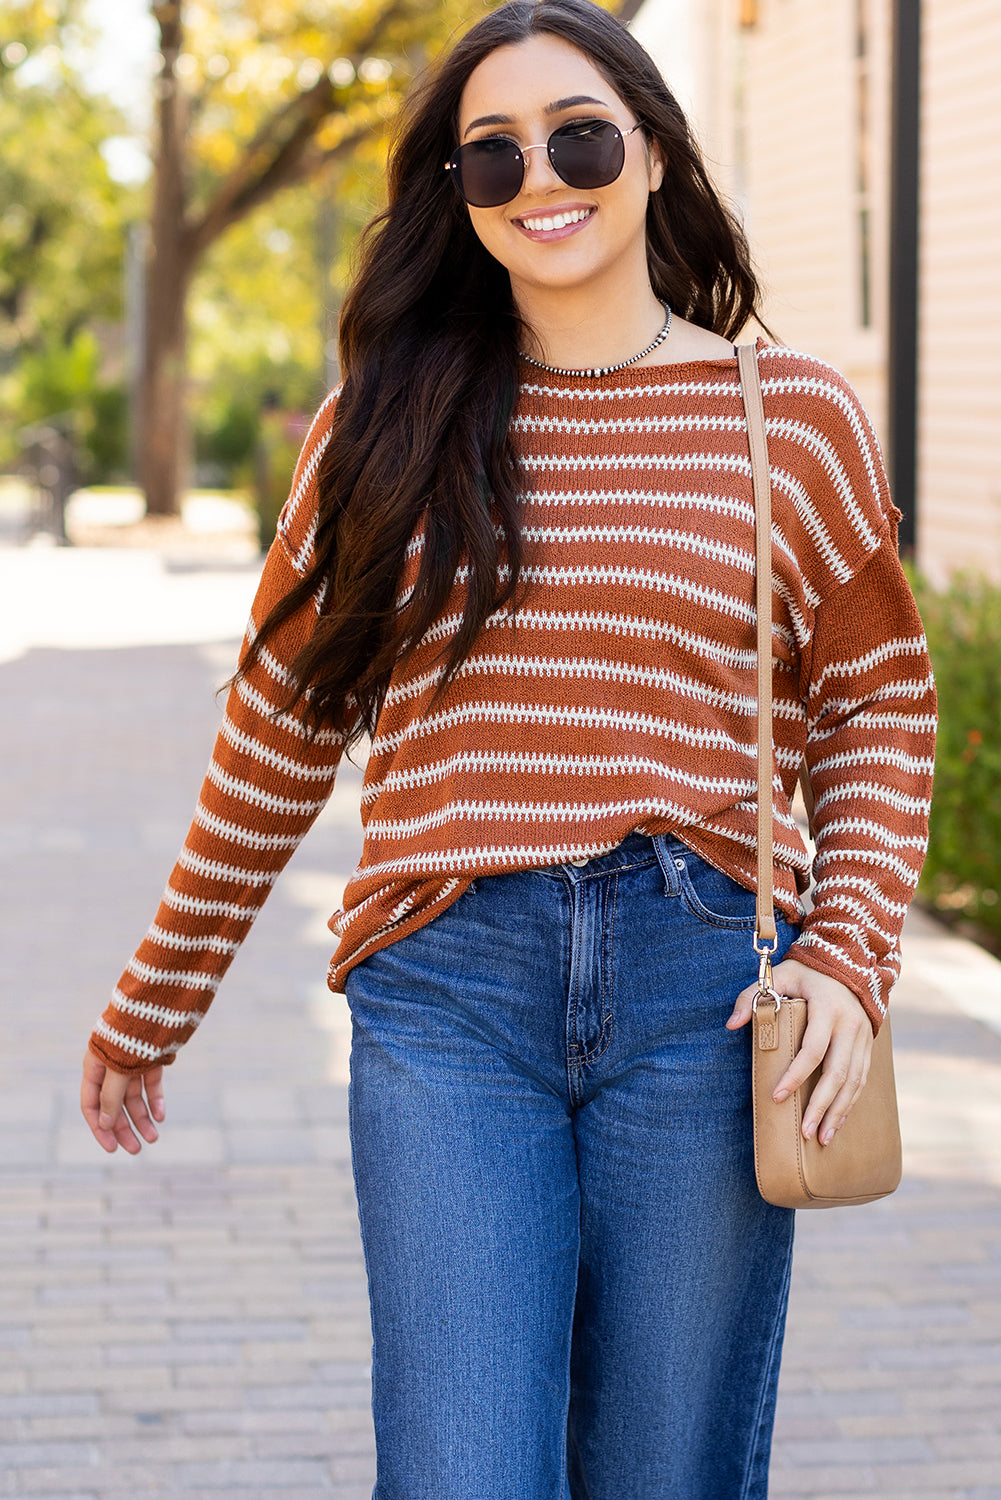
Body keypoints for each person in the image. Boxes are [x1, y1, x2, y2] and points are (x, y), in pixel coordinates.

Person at [81, 1, 936, 1494]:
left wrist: (845, 955)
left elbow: (877, 706)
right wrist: (157, 996)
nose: (542, 178)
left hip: (704, 1001)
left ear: (655, 156)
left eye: (580, 135)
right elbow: (281, 730)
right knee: (462, 1470)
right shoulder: (376, 429)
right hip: (445, 1000)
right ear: (455, 196)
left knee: (665, 1472)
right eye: (492, 156)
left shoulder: (784, 418)